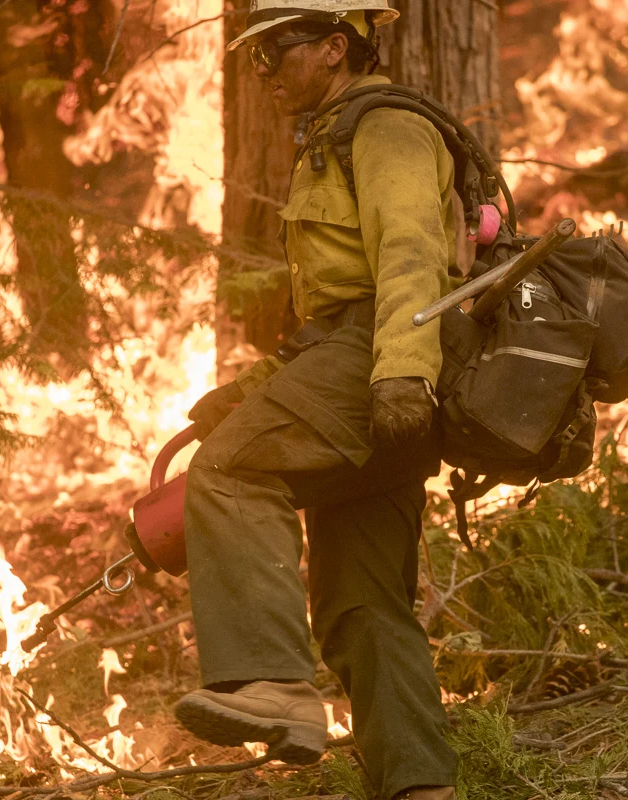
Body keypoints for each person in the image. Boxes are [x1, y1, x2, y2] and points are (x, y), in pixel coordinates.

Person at [175, 3, 462, 798]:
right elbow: (336, 308)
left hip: (383, 364)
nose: (261, 70)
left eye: (276, 50)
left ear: (335, 48)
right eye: (256, 56)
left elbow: (411, 253)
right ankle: (421, 788)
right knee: (362, 602)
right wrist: (253, 390)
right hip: (369, 368)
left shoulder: (386, 129)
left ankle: (275, 685)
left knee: (229, 473)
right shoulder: (334, 137)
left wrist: (404, 372)